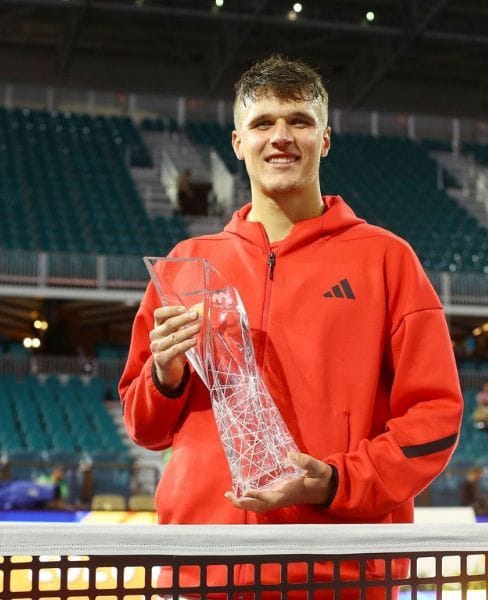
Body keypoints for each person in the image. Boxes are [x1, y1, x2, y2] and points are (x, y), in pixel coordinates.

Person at [119, 55, 463, 590]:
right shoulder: (186, 263)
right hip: (201, 564)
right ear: (238, 143)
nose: (280, 137)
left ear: (324, 139)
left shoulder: (386, 259)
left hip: (337, 568)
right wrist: (165, 377)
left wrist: (335, 482)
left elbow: (435, 417)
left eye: (299, 121)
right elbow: (145, 428)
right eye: (262, 123)